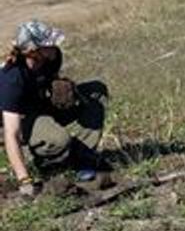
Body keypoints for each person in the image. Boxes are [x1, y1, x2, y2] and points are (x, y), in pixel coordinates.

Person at [0, 20, 108, 197]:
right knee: (58, 138)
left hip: (39, 108)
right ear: (33, 52)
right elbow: (11, 134)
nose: (54, 46)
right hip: (18, 120)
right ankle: (50, 164)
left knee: (96, 91)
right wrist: (24, 180)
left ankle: (83, 158)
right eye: (48, 44)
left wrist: (61, 87)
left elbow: (48, 80)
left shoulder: (51, 57)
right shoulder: (11, 78)